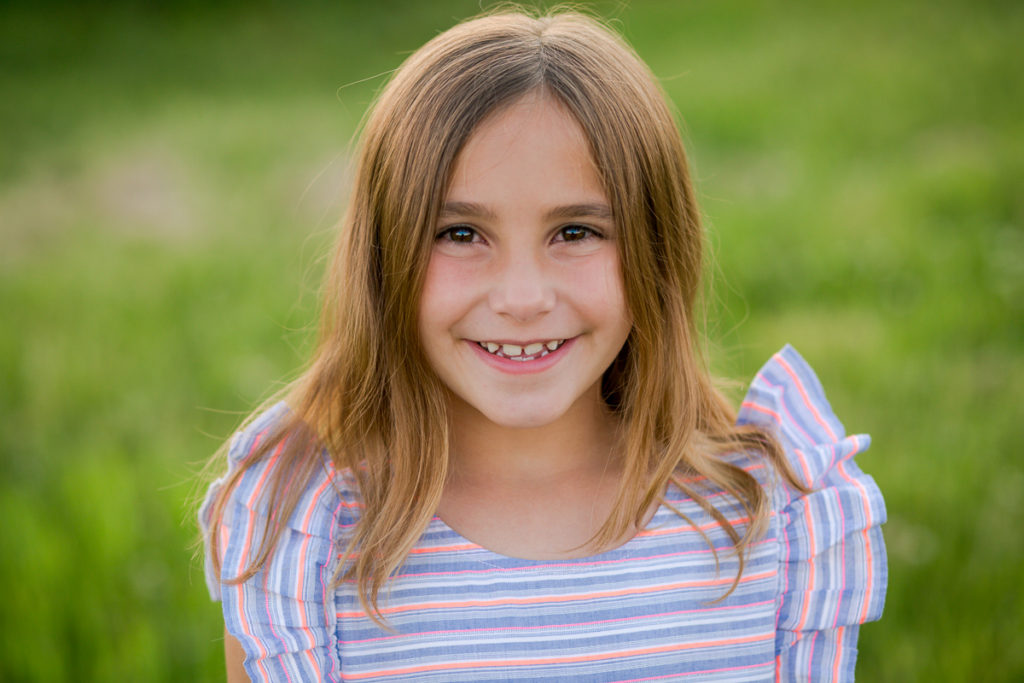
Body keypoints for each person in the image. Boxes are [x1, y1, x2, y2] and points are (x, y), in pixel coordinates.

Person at [199, 9, 886, 681]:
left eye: (576, 232)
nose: (522, 296)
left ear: (657, 249)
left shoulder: (767, 523)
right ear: (384, 259)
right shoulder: (305, 542)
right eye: (461, 233)